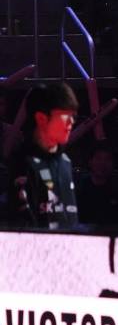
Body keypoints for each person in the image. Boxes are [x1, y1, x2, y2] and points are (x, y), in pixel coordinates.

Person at [7, 83, 80, 228]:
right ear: (41, 118)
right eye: (66, 115)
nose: (71, 122)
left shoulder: (66, 162)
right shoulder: (23, 164)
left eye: (73, 116)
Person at [75, 142, 118, 225]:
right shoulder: (79, 188)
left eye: (108, 159)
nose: (102, 163)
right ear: (90, 162)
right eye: (98, 158)